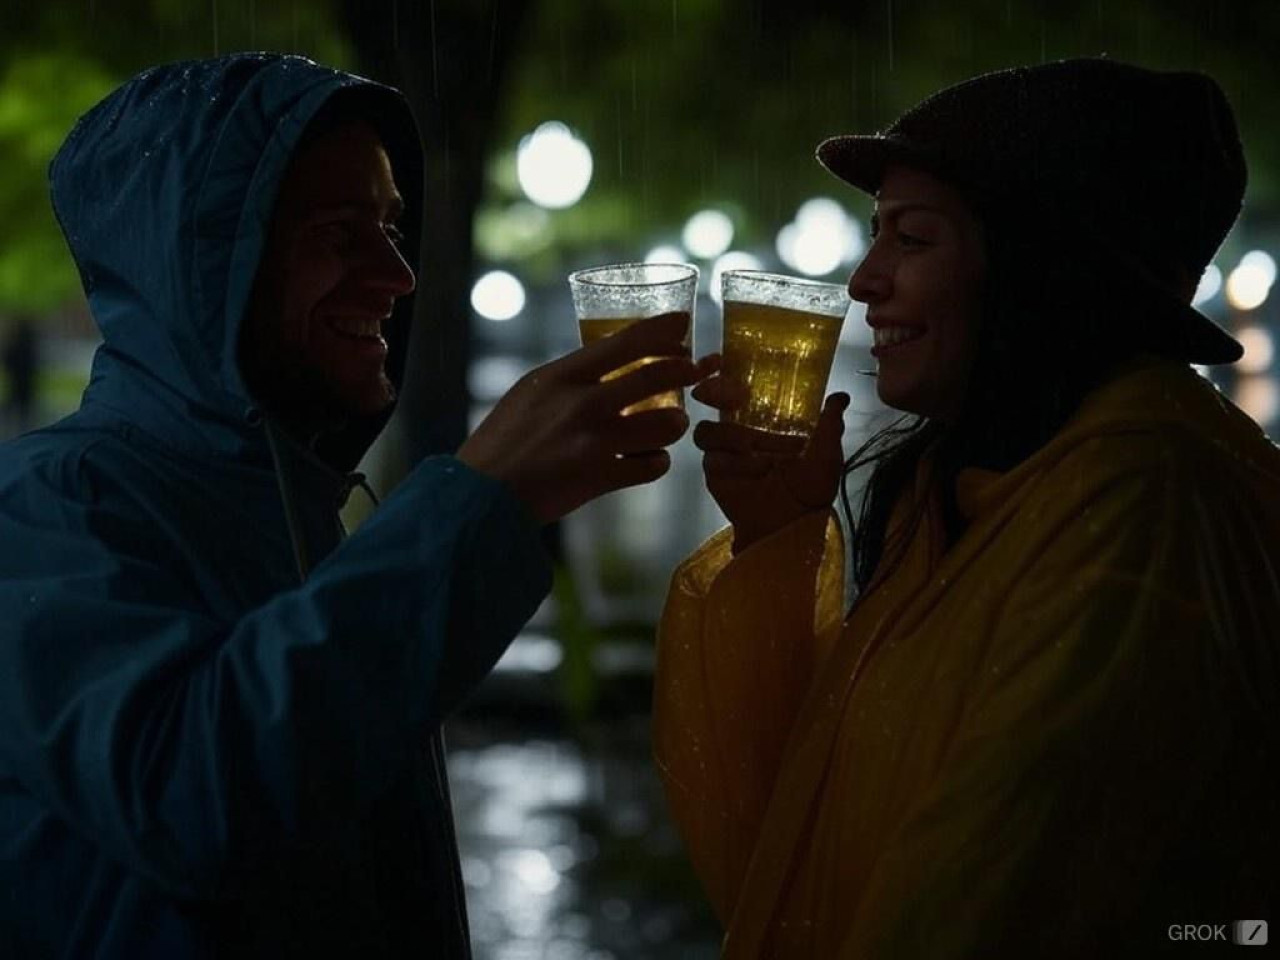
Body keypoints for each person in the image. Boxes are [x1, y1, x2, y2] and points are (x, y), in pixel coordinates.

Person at [0, 54, 713, 957]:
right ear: (206, 269)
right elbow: (197, 793)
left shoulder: (291, 514)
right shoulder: (44, 505)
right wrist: (481, 501)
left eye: (392, 226)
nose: (399, 274)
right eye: (340, 233)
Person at [653, 58, 1279, 957]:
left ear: (1038, 265)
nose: (864, 281)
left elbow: (994, 906)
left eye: (911, 238)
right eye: (877, 235)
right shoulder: (972, 482)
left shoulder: (1143, 509)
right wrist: (777, 536)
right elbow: (795, 853)